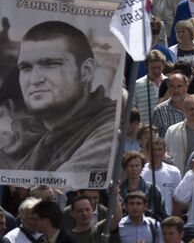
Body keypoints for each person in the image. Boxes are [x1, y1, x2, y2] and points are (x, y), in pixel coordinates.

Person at [13, 22, 118, 177]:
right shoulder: (16, 139)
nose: (35, 79)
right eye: (26, 68)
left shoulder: (106, 128)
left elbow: (68, 181)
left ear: (86, 71)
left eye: (50, 65)